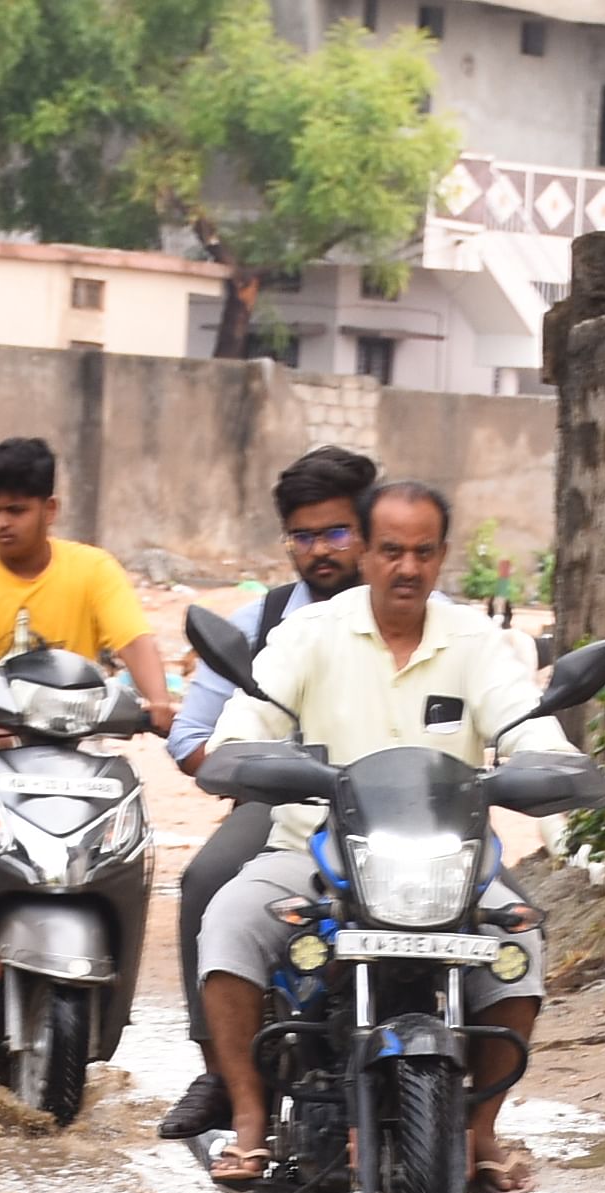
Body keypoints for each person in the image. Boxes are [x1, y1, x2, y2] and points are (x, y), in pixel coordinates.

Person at [193, 477, 575, 1193]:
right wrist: (246, 751)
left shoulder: (474, 641)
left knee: (521, 943)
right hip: (314, 852)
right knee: (229, 922)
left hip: (445, 864)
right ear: (365, 552)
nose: (407, 568)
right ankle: (247, 1121)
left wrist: (550, 760)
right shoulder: (312, 634)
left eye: (423, 552)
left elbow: (523, 720)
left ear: (442, 557)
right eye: (391, 550)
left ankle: (482, 1129)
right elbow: (252, 716)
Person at [155, 442, 374, 1142]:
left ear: (367, 530)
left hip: (404, 812)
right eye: (303, 536)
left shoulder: (420, 612)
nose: (320, 551)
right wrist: (243, 769)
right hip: (286, 807)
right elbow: (190, 734)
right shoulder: (264, 622)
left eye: (336, 532)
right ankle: (221, 1069)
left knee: (500, 920)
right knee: (208, 880)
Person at [0, 435, 176, 722]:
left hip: (70, 732)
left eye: (16, 510)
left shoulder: (94, 569)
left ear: (50, 510)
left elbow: (132, 640)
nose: (1, 523)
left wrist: (158, 701)